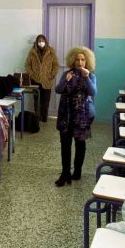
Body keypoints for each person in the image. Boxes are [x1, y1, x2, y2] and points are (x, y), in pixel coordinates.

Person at [54, 46, 97, 186]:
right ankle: (65, 173)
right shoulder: (67, 73)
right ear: (73, 60)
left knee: (80, 144)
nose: (80, 62)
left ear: (87, 61)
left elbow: (93, 92)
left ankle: (77, 171)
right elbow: (58, 90)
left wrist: (86, 78)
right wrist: (65, 80)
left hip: (82, 115)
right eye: (77, 59)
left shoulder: (90, 75)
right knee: (65, 144)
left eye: (83, 59)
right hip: (66, 114)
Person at [25, 34, 60, 122]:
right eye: (39, 41)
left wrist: (52, 75)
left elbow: (56, 65)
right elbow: (27, 65)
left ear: (45, 42)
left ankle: (44, 119)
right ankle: (37, 118)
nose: (41, 42)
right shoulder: (32, 52)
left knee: (45, 101)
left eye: (43, 41)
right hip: (35, 80)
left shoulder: (51, 52)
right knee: (36, 101)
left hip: (47, 80)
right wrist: (32, 74)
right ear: (36, 42)